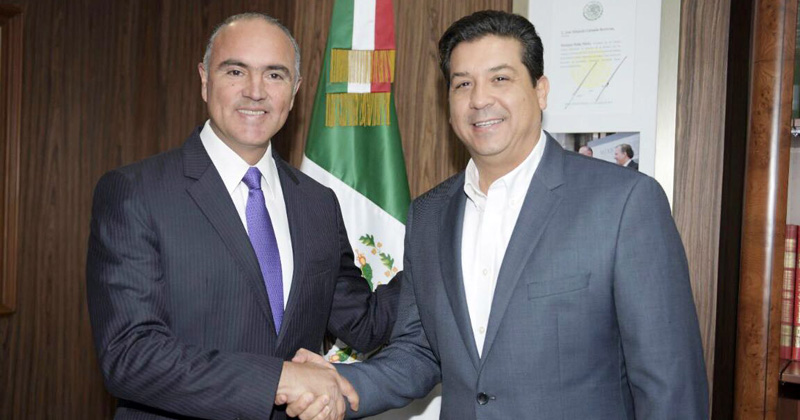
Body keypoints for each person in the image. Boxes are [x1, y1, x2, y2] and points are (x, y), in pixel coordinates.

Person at [289, 10, 707, 420]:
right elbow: (420, 349)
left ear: (541, 91)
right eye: (463, 84)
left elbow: (669, 384)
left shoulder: (624, 202)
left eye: (500, 79)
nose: (479, 99)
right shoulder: (429, 215)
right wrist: (342, 386)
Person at [86, 13, 400, 420]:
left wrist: (448, 244)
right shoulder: (136, 192)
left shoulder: (318, 203)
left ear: (295, 91)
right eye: (235, 71)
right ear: (204, 80)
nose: (255, 92)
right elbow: (130, 356)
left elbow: (364, 323)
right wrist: (278, 379)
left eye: (275, 75)